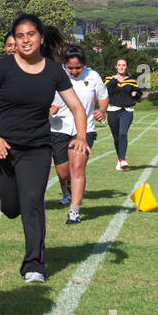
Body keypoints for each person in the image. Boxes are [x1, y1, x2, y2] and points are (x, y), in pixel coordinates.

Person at [0, 15, 89, 283]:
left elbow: (75, 106)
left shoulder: (54, 71)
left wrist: (82, 137)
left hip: (37, 148)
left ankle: (34, 265)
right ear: (14, 40)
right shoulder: (1, 68)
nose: (25, 40)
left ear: (40, 37)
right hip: (0, 148)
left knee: (32, 204)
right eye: (20, 36)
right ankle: (5, 200)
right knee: (12, 208)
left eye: (30, 35)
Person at [50, 43, 107, 225]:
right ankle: (66, 190)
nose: (74, 72)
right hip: (59, 128)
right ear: (64, 65)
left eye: (78, 68)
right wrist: (48, 107)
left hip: (85, 129)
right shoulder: (55, 75)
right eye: (70, 68)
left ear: (84, 64)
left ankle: (74, 211)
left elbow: (104, 97)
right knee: (63, 171)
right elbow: (41, 96)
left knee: (77, 167)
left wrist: (102, 110)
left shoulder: (93, 76)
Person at [103, 57, 140, 169]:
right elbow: (105, 90)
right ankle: (120, 159)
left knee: (123, 133)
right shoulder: (109, 78)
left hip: (127, 111)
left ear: (126, 66)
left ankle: (123, 159)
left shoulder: (131, 80)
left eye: (123, 65)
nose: (121, 67)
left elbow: (139, 93)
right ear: (116, 66)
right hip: (112, 110)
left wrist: (135, 94)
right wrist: (115, 80)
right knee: (116, 137)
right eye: (119, 65)